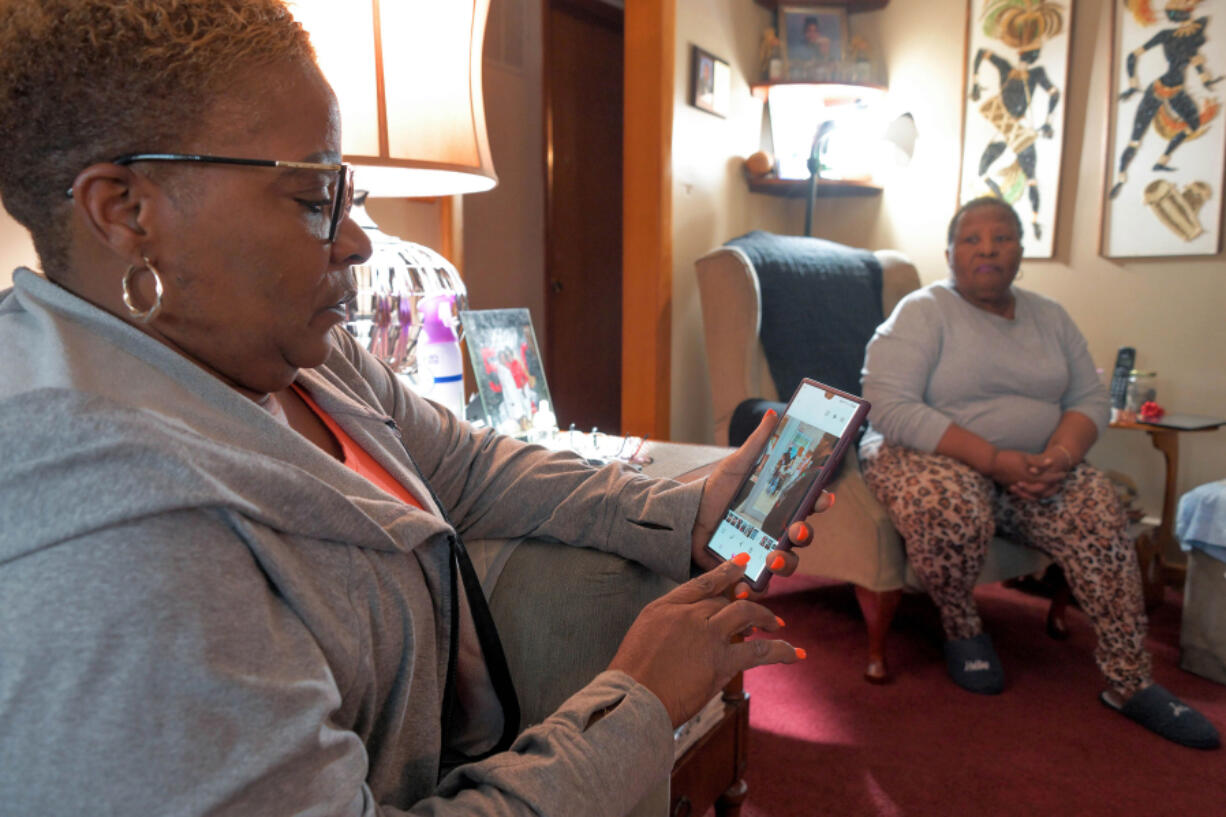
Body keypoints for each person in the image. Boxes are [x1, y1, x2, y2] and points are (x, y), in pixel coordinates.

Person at [0, 2, 829, 814]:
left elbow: (464, 463)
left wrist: (684, 508)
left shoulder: (290, 359)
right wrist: (636, 704)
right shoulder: (124, 562)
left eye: (347, 191)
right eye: (310, 195)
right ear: (125, 211)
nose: (357, 238)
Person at [857, 196, 1220, 750]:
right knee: (949, 504)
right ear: (951, 252)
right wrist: (993, 459)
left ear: (1020, 252)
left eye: (1000, 238)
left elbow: (1089, 398)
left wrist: (1061, 457)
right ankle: (961, 626)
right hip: (925, 455)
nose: (986, 249)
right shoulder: (922, 311)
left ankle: (1130, 680)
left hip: (1034, 467)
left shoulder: (1050, 316)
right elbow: (890, 405)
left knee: (1099, 503)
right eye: (972, 239)